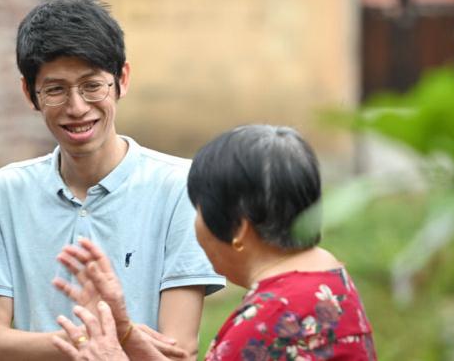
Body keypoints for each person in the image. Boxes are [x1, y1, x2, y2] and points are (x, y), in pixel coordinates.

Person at [0, 0, 225, 361]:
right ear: (29, 93)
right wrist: (98, 339)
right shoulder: (5, 191)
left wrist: (107, 336)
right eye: (55, 90)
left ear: (122, 80)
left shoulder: (180, 186)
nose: (77, 107)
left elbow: (178, 350)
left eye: (92, 86)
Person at [52, 125, 377, 360]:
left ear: (239, 228)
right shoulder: (328, 279)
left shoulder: (268, 319)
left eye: (199, 208)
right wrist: (125, 331)